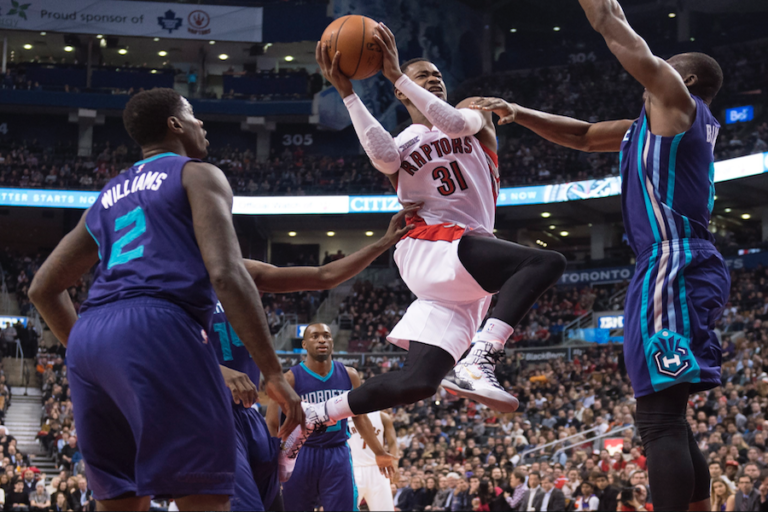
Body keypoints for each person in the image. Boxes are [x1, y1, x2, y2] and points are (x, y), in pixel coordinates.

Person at [470, 0, 727, 510]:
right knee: (667, 414)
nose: (656, 70)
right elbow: (583, 136)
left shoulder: (679, 105)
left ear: (688, 80)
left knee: (658, 420)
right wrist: (517, 113)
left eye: (668, 66)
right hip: (671, 266)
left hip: (672, 263)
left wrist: (602, 12)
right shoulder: (646, 126)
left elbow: (616, 28)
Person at [28, 87, 303, 511]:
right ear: (175, 124)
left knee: (120, 500)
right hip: (158, 324)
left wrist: (101, 362)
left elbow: (42, 288)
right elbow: (227, 276)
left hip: (91, 336)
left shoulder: (107, 196)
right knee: (204, 497)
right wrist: (274, 373)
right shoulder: (197, 173)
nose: (202, 124)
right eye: (194, 115)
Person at [300, 19, 566, 442]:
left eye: (437, 76)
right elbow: (384, 159)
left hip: (466, 266)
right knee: (545, 261)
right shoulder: (400, 142)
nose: (434, 80)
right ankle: (481, 358)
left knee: (420, 382)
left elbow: (457, 127)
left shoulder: (473, 113)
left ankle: (320, 411)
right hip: (432, 247)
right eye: (424, 76)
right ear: (402, 93)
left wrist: (398, 74)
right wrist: (348, 92)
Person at [208, 207, 416, 512]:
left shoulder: (244, 271)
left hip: (249, 415)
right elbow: (161, 347)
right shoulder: (178, 283)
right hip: (210, 409)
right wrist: (216, 369)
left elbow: (324, 275)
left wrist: (383, 244)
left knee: (272, 506)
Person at [266, 323, 396, 511]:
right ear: (304, 344)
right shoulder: (290, 379)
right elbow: (271, 422)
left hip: (337, 454)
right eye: (315, 336)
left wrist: (379, 452)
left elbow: (360, 418)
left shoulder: (349, 375)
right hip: (300, 453)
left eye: (326, 336)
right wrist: (272, 457)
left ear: (332, 343)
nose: (321, 340)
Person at [350, 410, 399, 512]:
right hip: (353, 468)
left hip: (379, 469)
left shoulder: (383, 417)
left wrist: (395, 466)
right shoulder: (345, 416)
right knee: (345, 508)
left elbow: (393, 443)